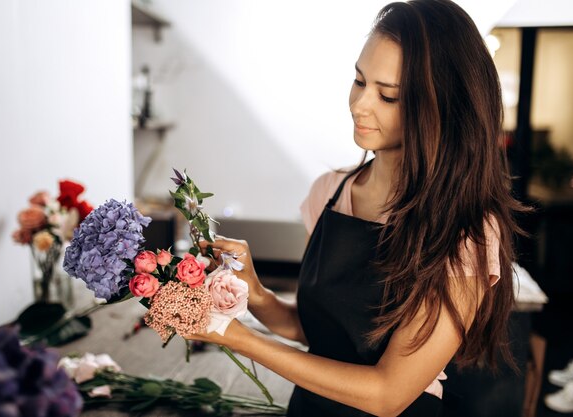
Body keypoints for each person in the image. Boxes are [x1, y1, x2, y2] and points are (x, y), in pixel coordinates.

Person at [188, 0, 525, 415]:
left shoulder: (465, 231)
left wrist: (238, 338)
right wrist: (253, 292)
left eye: (388, 96)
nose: (360, 105)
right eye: (359, 81)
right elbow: (315, 331)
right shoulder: (329, 193)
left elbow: (388, 394)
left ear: (441, 109)